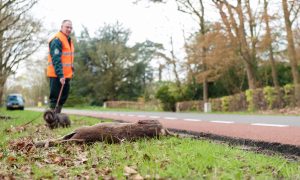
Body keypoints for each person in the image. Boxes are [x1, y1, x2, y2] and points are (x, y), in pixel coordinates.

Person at [47, 20, 74, 113]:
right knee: (55, 98)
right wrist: (60, 75)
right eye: (67, 27)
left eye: (71, 27)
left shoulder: (68, 40)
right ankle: (51, 121)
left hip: (66, 76)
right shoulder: (57, 40)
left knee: (62, 98)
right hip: (57, 75)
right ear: (61, 27)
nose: (69, 29)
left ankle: (57, 118)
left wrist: (71, 70)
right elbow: (56, 59)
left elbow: (67, 59)